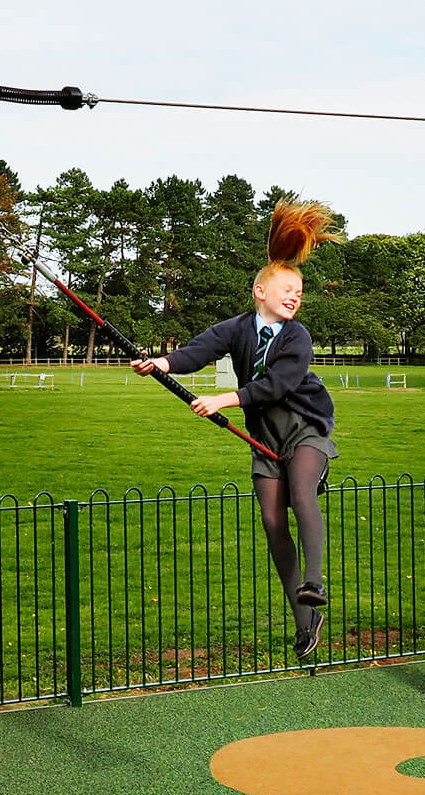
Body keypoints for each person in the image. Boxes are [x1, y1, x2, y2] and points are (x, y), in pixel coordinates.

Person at [133, 200, 342, 661]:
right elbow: (197, 351)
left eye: (300, 292)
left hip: (304, 428)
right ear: (259, 291)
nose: (295, 297)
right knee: (272, 523)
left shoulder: (298, 337)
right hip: (265, 439)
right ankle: (305, 622)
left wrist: (223, 400)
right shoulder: (236, 328)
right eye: (287, 289)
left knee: (302, 493)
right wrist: (160, 363)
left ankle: (315, 581)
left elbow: (276, 385)